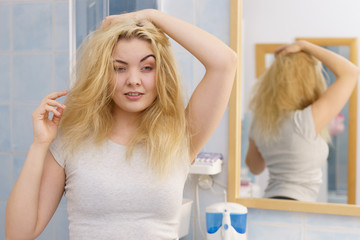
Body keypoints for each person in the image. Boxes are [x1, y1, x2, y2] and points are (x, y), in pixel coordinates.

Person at [5, 9, 237, 240]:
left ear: (161, 74)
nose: (133, 80)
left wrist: (151, 16)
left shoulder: (180, 135)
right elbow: (18, 234)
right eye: (119, 68)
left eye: (147, 67)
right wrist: (40, 144)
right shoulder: (72, 140)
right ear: (102, 75)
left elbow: (225, 61)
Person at [245, 40, 359, 202]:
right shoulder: (305, 120)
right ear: (310, 81)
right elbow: (350, 72)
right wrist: (305, 45)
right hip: (297, 207)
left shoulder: (260, 121)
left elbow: (255, 168)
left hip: (270, 203)